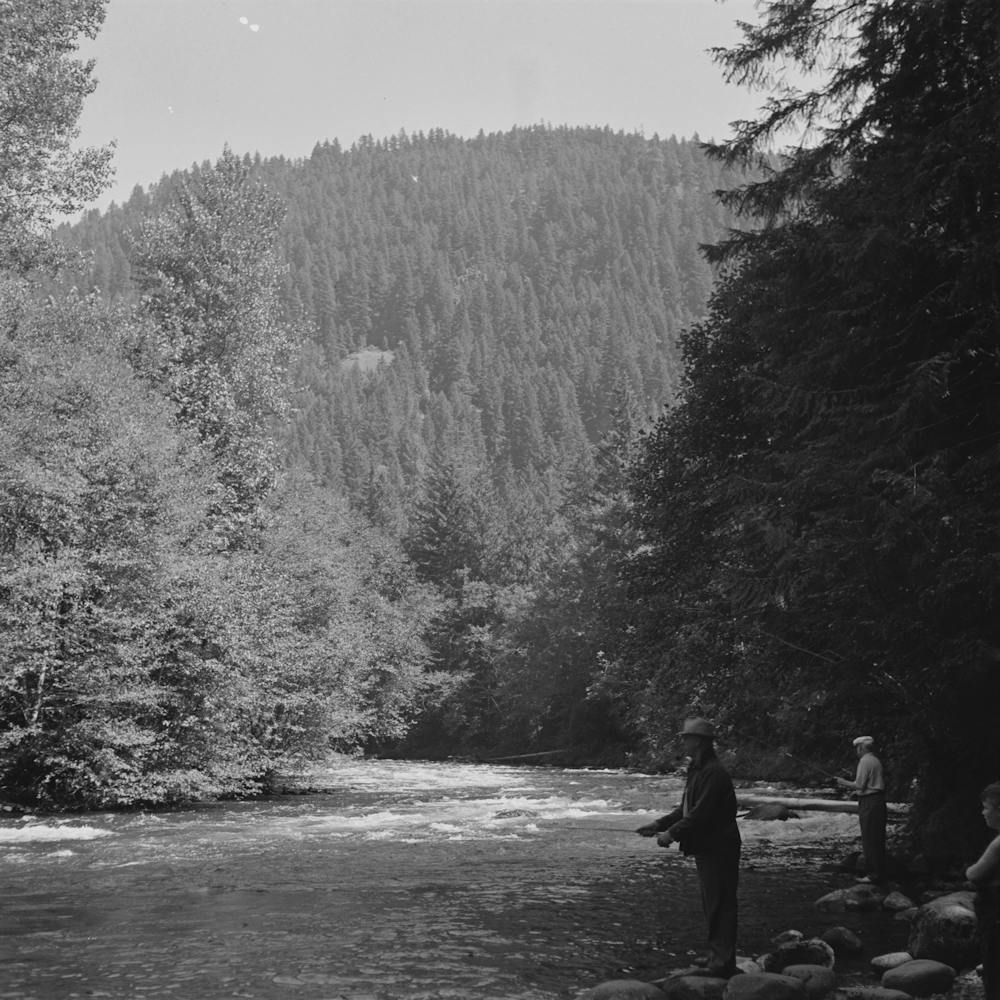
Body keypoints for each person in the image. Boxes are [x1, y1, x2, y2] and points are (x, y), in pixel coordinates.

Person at [636, 717, 741, 978]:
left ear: (699, 742)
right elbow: (685, 809)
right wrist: (658, 824)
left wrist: (670, 834)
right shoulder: (696, 769)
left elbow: (701, 814)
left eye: (686, 737)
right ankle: (717, 955)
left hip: (720, 847)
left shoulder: (714, 773)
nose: (682, 741)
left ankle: (723, 962)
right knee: (712, 903)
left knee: (721, 903)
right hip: (707, 846)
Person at [835, 735, 887, 883]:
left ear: (861, 748)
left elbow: (860, 785)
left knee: (870, 838)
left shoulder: (865, 761)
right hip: (877, 801)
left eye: (857, 748)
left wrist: (842, 782)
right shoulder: (875, 760)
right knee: (877, 837)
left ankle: (873, 876)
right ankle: (879, 873)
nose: (856, 751)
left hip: (869, 802)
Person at [966, 782, 1000, 1000]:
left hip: (996, 919)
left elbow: (974, 874)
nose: (982, 812)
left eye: (986, 807)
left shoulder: (998, 845)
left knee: (995, 977)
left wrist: (968, 870)